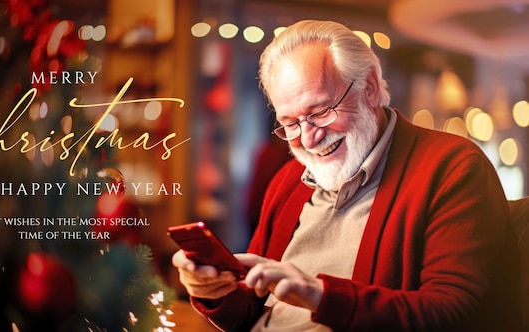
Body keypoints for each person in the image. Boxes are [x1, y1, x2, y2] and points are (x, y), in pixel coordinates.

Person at [172, 20, 521, 331]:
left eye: (320, 111)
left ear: (368, 86)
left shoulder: (452, 167)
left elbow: (451, 312)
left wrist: (318, 295)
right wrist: (217, 292)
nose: (308, 139)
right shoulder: (288, 180)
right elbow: (252, 311)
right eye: (290, 123)